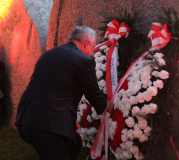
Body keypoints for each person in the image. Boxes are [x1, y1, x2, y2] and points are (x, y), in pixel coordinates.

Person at [15, 26, 113, 160]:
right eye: (92, 48)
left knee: (73, 145)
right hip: (49, 125)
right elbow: (94, 95)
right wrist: (110, 105)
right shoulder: (83, 60)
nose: (92, 52)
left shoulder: (48, 54)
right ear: (87, 43)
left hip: (26, 118)